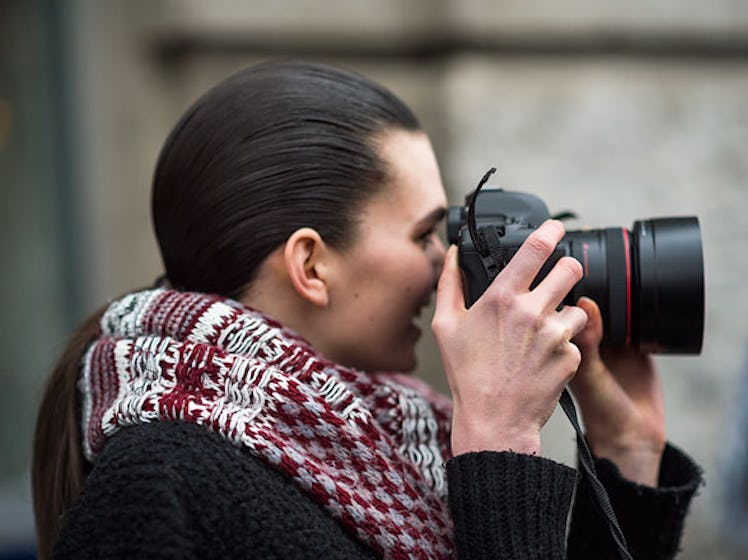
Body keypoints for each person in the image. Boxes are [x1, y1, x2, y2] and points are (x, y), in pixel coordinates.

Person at [32, 60, 702, 559]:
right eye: (424, 235)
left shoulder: (394, 449)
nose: (448, 264)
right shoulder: (159, 482)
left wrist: (626, 452)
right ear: (312, 265)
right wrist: (498, 448)